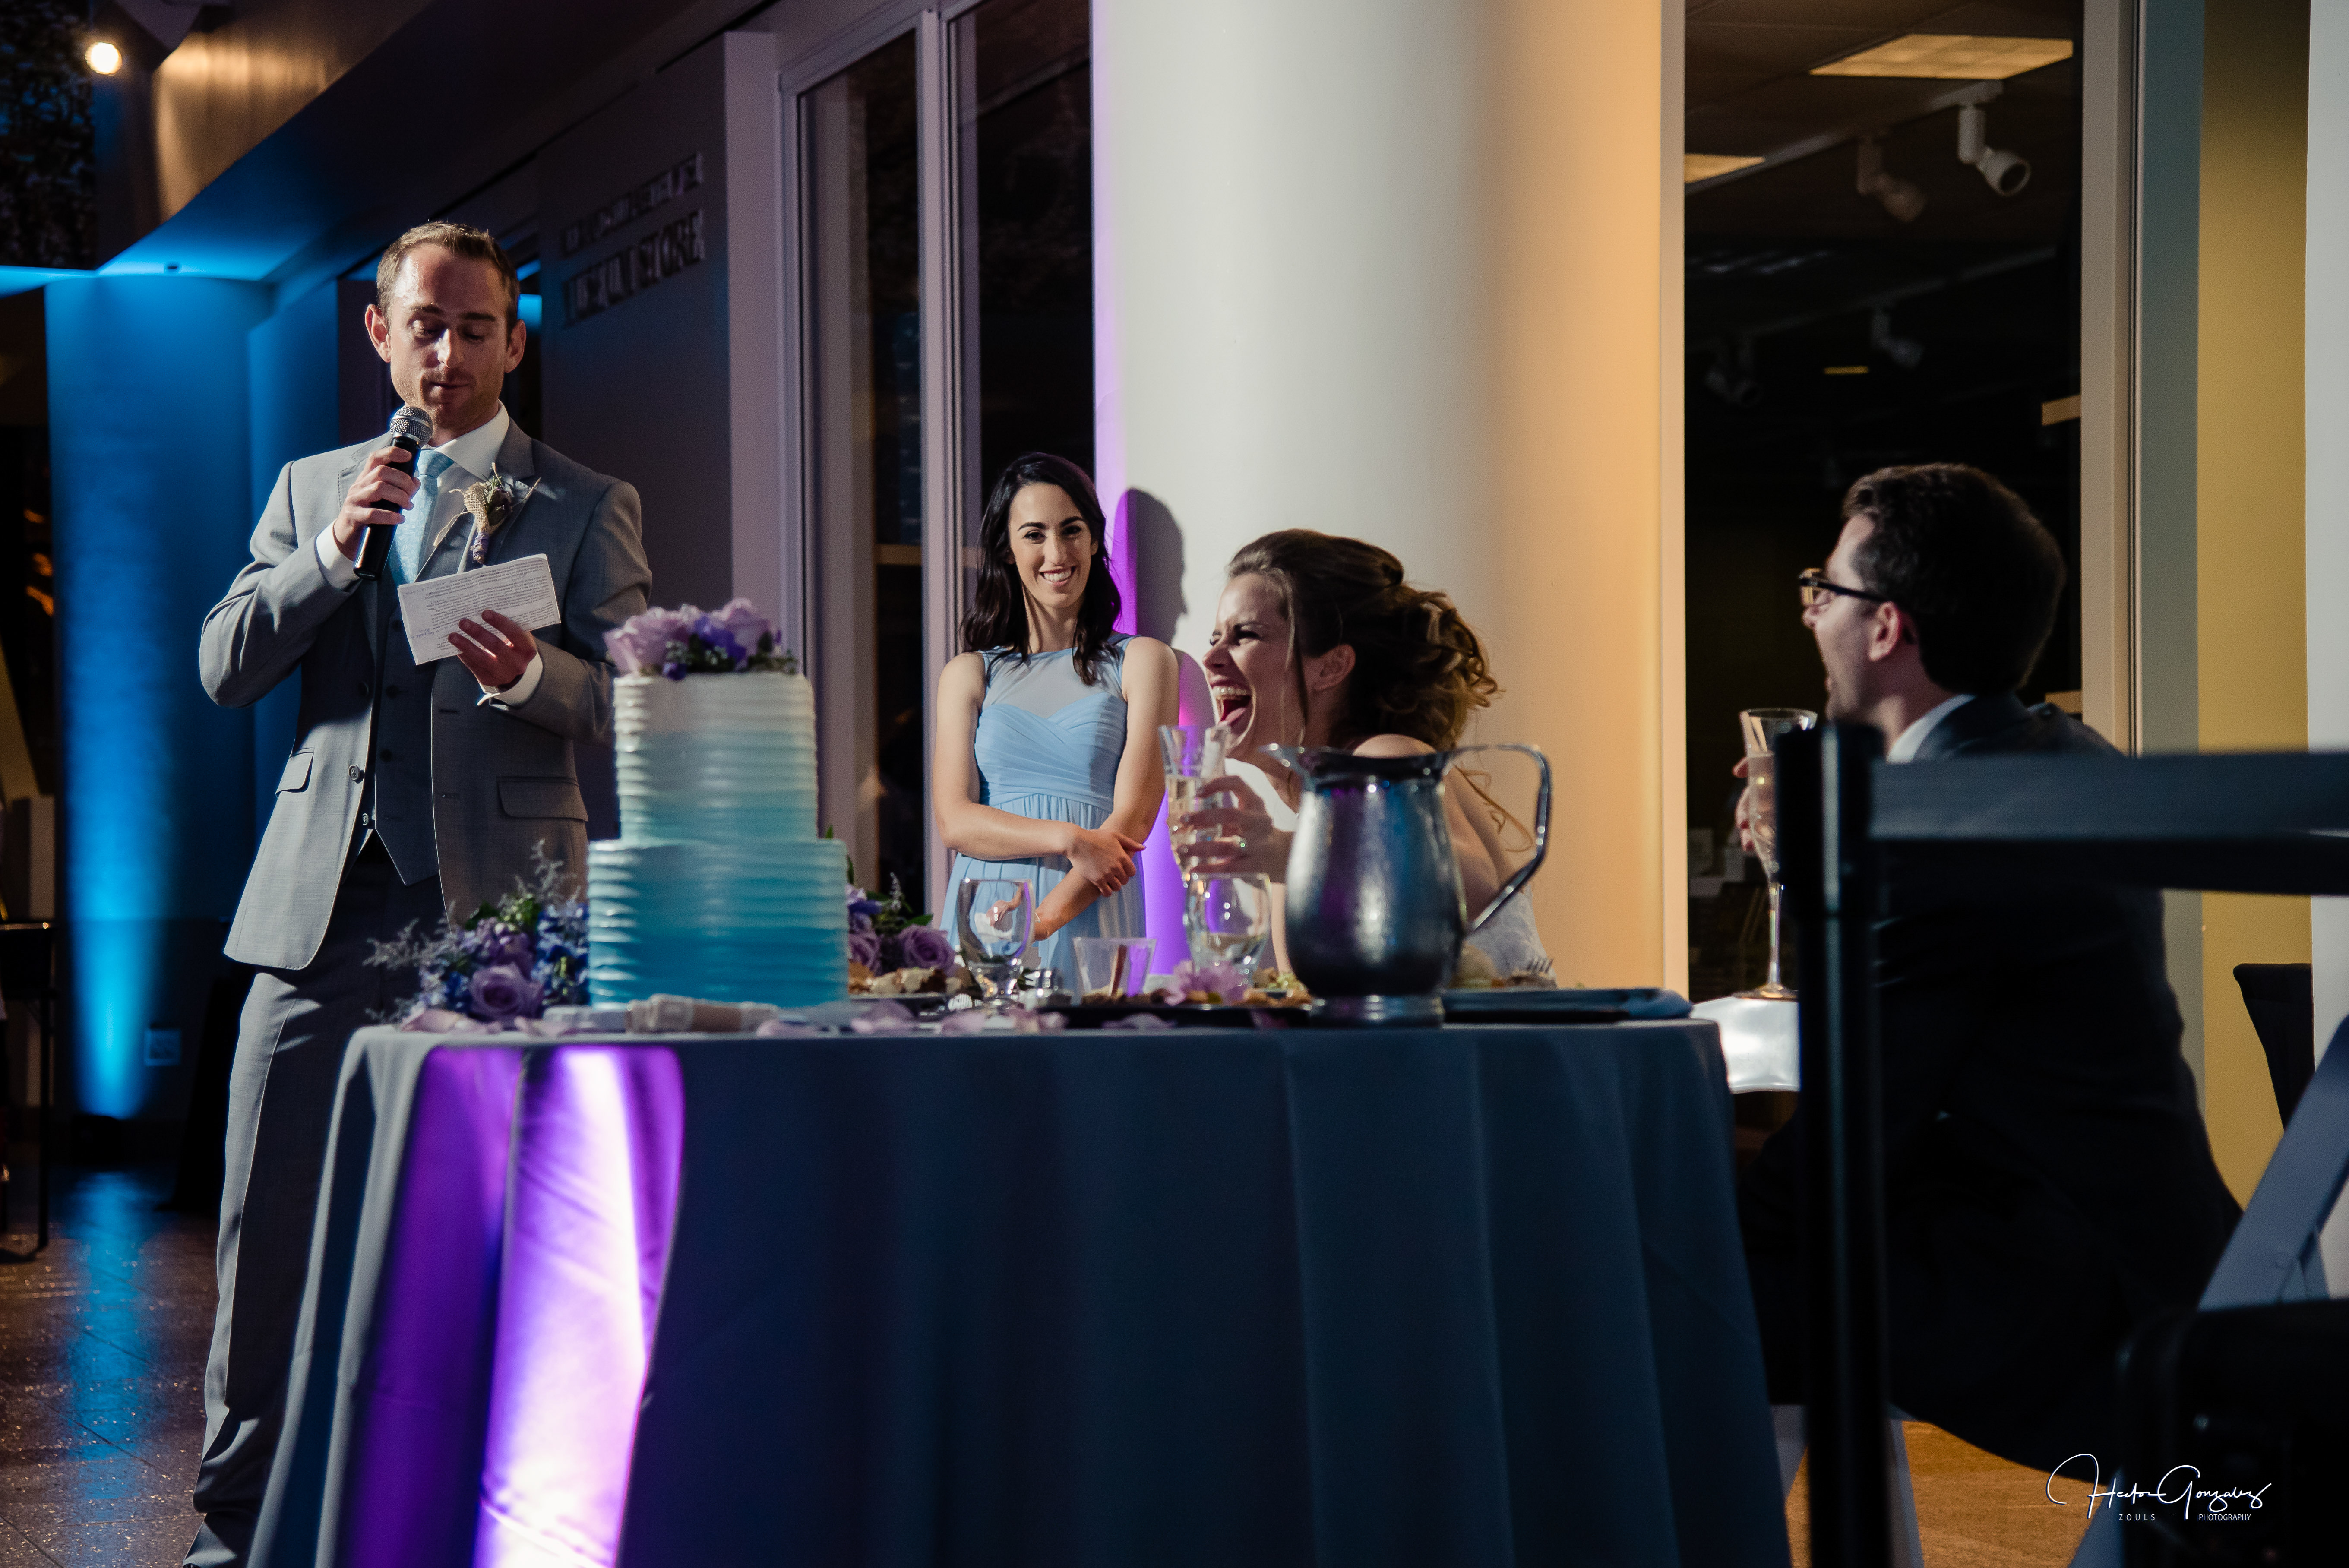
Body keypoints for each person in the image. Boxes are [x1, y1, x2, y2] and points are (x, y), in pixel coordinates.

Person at [193, 222, 651, 1564]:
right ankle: (237, 1533)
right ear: (380, 334)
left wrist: (530, 677)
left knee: (511, 1235)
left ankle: (497, 1522)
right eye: (425, 326)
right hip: (321, 909)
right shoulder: (314, 488)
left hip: (502, 916)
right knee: (267, 1230)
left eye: (475, 328)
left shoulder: (584, 501)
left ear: (515, 339)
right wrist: (335, 551)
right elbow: (224, 667)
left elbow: (638, 704)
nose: (448, 353)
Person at [1736, 462, 2238, 1472]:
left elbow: (1858, 1119)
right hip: (2148, 1244)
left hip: (2054, 1290)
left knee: (1651, 1265)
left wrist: (1676, 1198)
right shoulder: (2056, 755)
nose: (1808, 613)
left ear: (1885, 626)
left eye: (1822, 590)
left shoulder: (1945, 826)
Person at [1174, 529, 1547, 976]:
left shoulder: (1386, 756)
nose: (1211, 658)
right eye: (1215, 637)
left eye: (1245, 635)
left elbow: (1469, 883)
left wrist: (1287, 853)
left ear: (1330, 667)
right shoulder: (1310, 836)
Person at [934, 454, 1177, 984]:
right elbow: (956, 821)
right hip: (986, 915)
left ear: (1093, 541)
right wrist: (1069, 838)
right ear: (1007, 549)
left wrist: (1038, 923)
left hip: (1086, 909)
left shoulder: (1144, 661)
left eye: (1071, 530)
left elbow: (1133, 821)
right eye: (1034, 534)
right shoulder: (969, 673)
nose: (1056, 553)